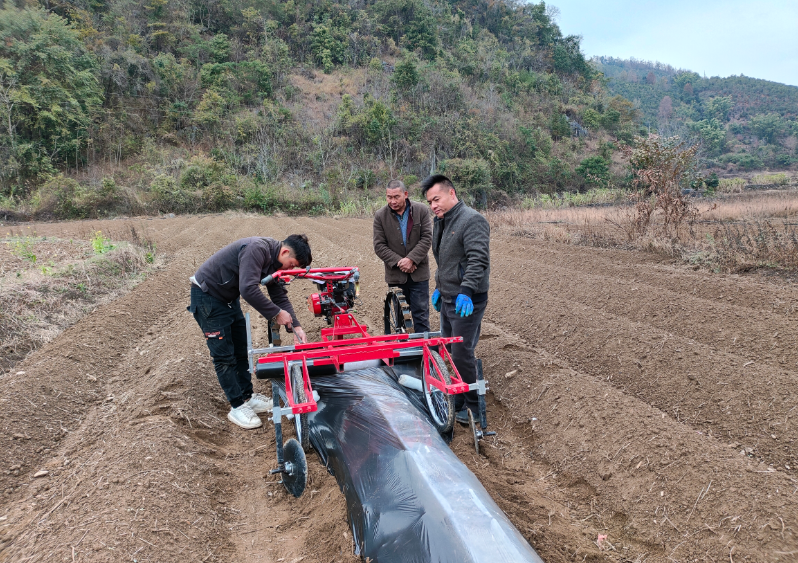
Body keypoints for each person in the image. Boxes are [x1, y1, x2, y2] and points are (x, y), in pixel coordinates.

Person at [188, 235, 312, 429]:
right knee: (224, 355)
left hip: (227, 299)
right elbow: (247, 289)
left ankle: (248, 396)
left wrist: (296, 326)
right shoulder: (257, 249)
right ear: (285, 252)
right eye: (291, 264)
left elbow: (278, 294)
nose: (290, 270)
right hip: (208, 297)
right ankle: (237, 406)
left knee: (240, 349)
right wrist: (276, 314)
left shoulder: (274, 261)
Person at [421, 174, 490, 425]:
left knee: (461, 352)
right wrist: (440, 287)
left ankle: (473, 406)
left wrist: (467, 291)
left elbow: (477, 260)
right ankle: (460, 394)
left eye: (436, 199)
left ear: (451, 193)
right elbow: (445, 261)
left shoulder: (472, 220)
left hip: (467, 300)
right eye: (429, 202)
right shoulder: (441, 221)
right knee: (449, 351)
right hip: (449, 296)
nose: (433, 206)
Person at [373, 179, 433, 333]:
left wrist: (411, 259)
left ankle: (423, 353)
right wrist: (401, 262)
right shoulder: (380, 216)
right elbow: (379, 246)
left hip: (418, 274)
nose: (393, 201)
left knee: (421, 315)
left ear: (405, 194)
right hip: (396, 276)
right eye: (389, 197)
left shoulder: (421, 211)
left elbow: (427, 238)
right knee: (399, 318)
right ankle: (402, 353)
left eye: (396, 197)